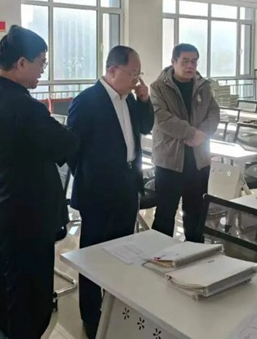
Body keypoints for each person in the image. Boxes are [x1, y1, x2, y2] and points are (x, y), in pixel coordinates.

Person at [0, 25, 79, 339]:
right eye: (41, 63)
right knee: (28, 304)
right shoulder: (24, 106)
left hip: (0, 209)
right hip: (27, 219)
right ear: (21, 63)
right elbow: (66, 143)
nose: (42, 71)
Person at [67, 46, 154, 339]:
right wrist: (90, 178)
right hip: (98, 193)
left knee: (123, 250)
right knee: (94, 255)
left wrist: (145, 100)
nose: (136, 80)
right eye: (133, 74)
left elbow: (146, 127)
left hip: (128, 186)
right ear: (113, 70)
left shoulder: (129, 99)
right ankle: (91, 315)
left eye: (139, 74)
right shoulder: (86, 101)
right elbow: (72, 150)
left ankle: (117, 307)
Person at [150, 43, 220, 242]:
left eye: (194, 62)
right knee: (165, 214)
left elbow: (214, 113)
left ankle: (195, 252)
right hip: (169, 161)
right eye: (185, 61)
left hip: (199, 160)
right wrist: (190, 133)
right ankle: (159, 254)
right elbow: (162, 118)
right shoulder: (158, 87)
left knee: (196, 213)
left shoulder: (203, 86)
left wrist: (202, 134)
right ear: (173, 62)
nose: (190, 66)